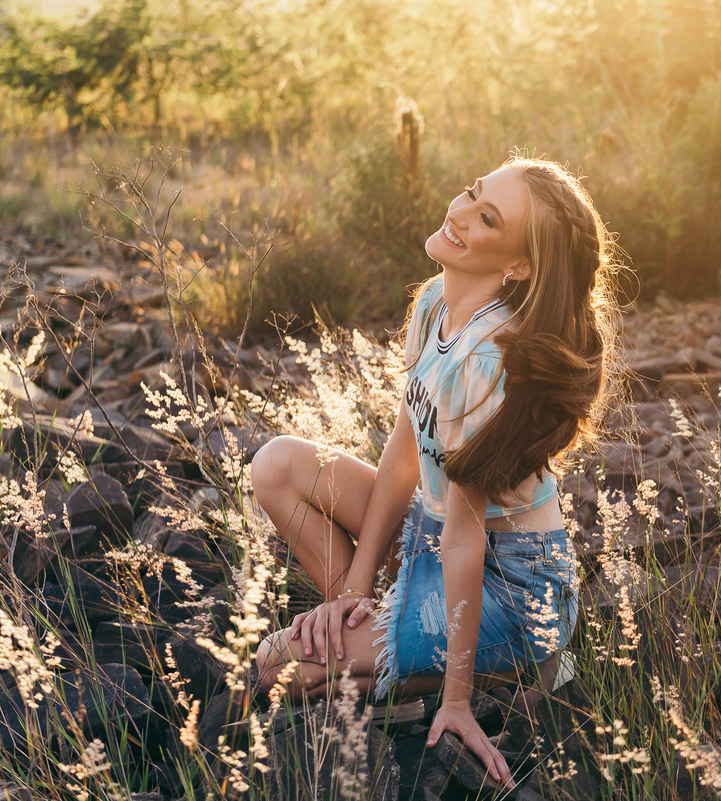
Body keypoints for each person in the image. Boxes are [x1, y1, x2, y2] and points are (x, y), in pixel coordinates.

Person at [253, 156, 617, 788]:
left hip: (510, 580)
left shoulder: (486, 362)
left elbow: (466, 537)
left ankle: (518, 675)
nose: (459, 214)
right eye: (472, 195)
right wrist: (352, 592)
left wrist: (454, 705)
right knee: (278, 466)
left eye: (487, 219)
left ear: (517, 266)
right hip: (434, 533)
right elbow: (403, 450)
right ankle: (393, 654)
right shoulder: (432, 305)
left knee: (280, 667)